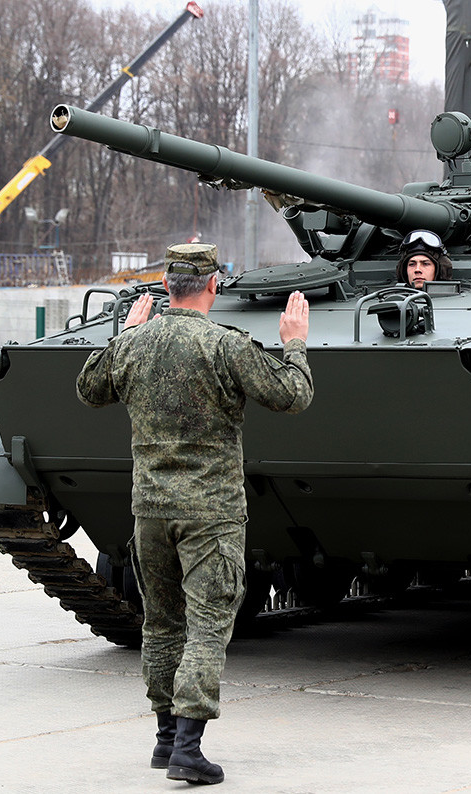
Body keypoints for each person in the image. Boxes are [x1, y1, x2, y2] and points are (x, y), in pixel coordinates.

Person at [75, 243, 313, 785]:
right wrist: (294, 345)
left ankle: (164, 740)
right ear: (213, 286)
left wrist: (121, 337)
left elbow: (89, 390)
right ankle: (188, 747)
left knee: (161, 624)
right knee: (207, 627)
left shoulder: (135, 343)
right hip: (211, 514)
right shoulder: (226, 345)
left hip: (150, 510)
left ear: (164, 286)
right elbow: (292, 396)